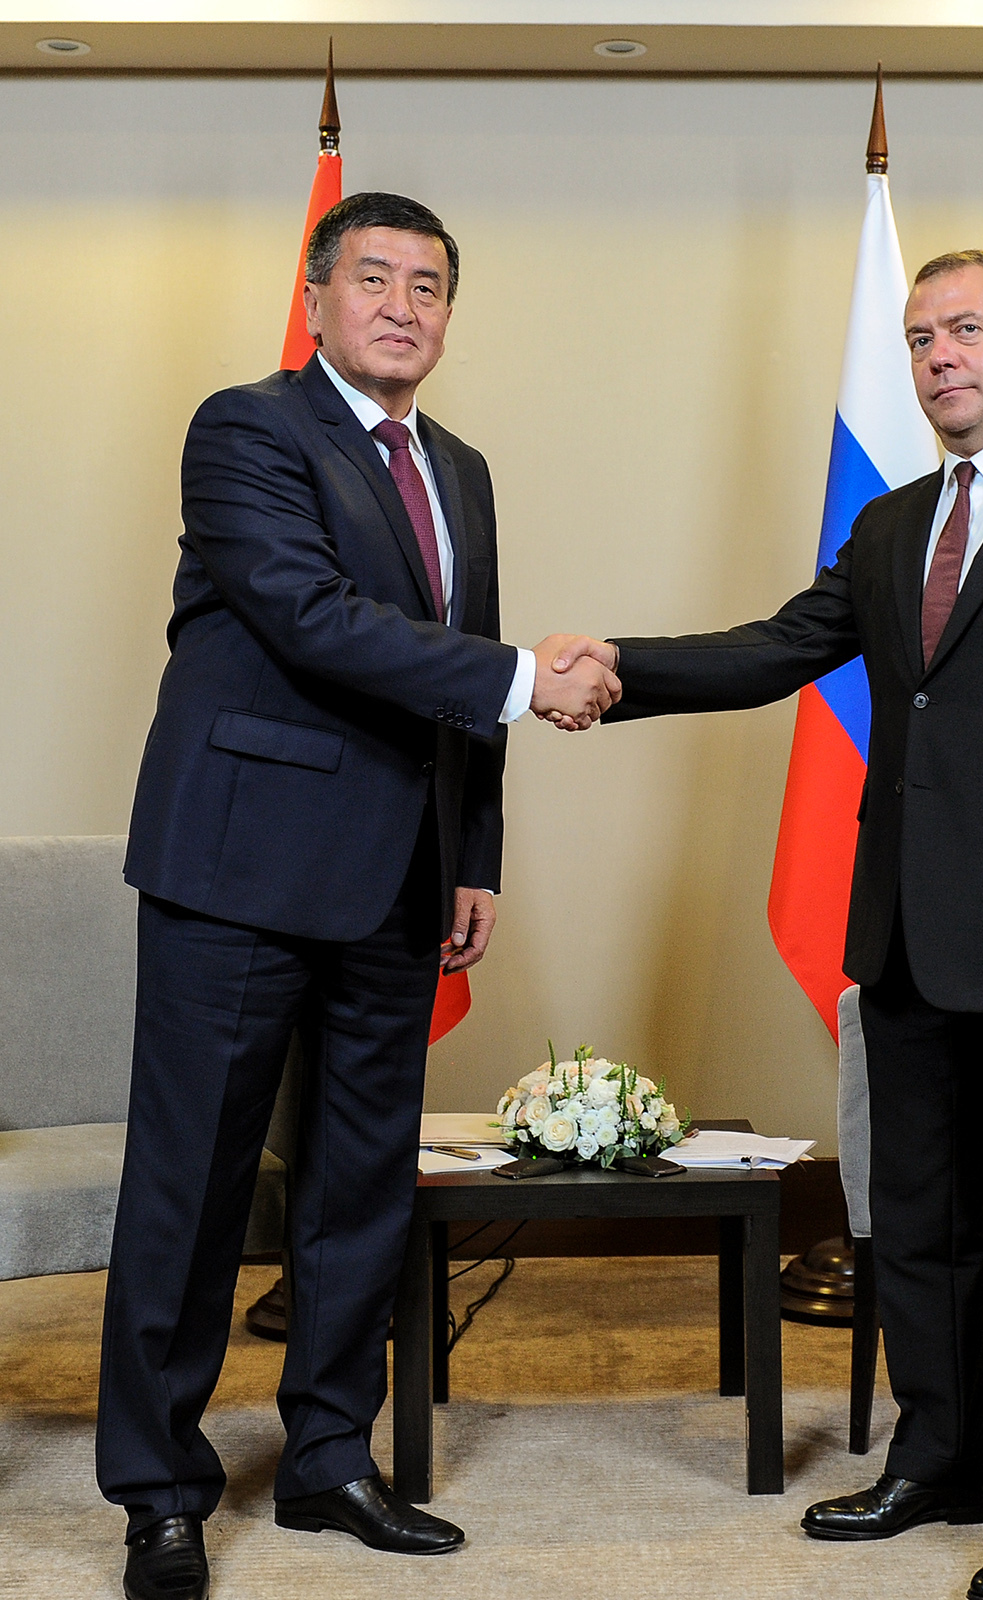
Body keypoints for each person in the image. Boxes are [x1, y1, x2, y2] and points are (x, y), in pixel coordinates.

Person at [553, 251, 983, 1600]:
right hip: (902, 933)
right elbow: (777, 649)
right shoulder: (893, 522)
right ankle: (941, 1461)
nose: (938, 357)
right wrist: (621, 669)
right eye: (918, 339)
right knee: (913, 1222)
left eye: (964, 329)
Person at [97, 191, 618, 1600]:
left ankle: (329, 1458)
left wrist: (476, 852)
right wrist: (532, 678)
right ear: (317, 296)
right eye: (374, 278)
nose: (402, 305)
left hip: (400, 880)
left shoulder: (462, 468)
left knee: (360, 1186)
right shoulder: (247, 429)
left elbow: (462, 673)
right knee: (194, 1188)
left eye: (428, 286)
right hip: (240, 870)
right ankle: (159, 1490)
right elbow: (312, 619)